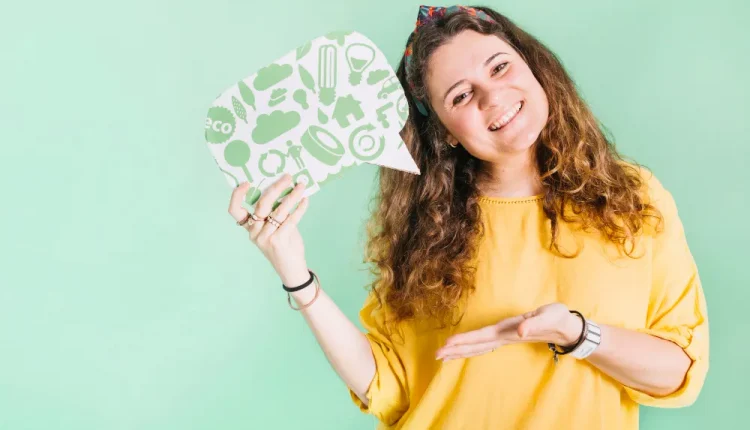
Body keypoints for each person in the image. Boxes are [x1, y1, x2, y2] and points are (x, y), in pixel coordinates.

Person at [227, 4, 709, 429]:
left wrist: (577, 333)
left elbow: (679, 372)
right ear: (445, 132)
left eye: (499, 67)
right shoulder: (430, 230)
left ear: (534, 67)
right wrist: (294, 272)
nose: (492, 97)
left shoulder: (632, 198)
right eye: (460, 95)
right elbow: (387, 387)